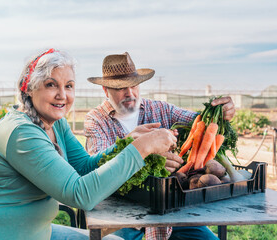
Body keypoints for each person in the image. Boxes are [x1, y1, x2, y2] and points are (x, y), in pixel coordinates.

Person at [0, 49, 178, 240]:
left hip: (36, 233)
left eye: (68, 86)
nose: (62, 95)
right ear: (29, 89)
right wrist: (141, 149)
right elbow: (80, 195)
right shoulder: (22, 133)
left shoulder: (55, 124)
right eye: (50, 85)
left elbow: (86, 167)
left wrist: (126, 143)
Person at [84, 52, 236, 240]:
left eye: (133, 85)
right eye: (120, 88)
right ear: (106, 90)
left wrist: (220, 112)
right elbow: (101, 169)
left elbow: (197, 120)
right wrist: (149, 158)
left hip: (169, 211)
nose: (129, 93)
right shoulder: (96, 121)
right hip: (121, 214)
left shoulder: (160, 109)